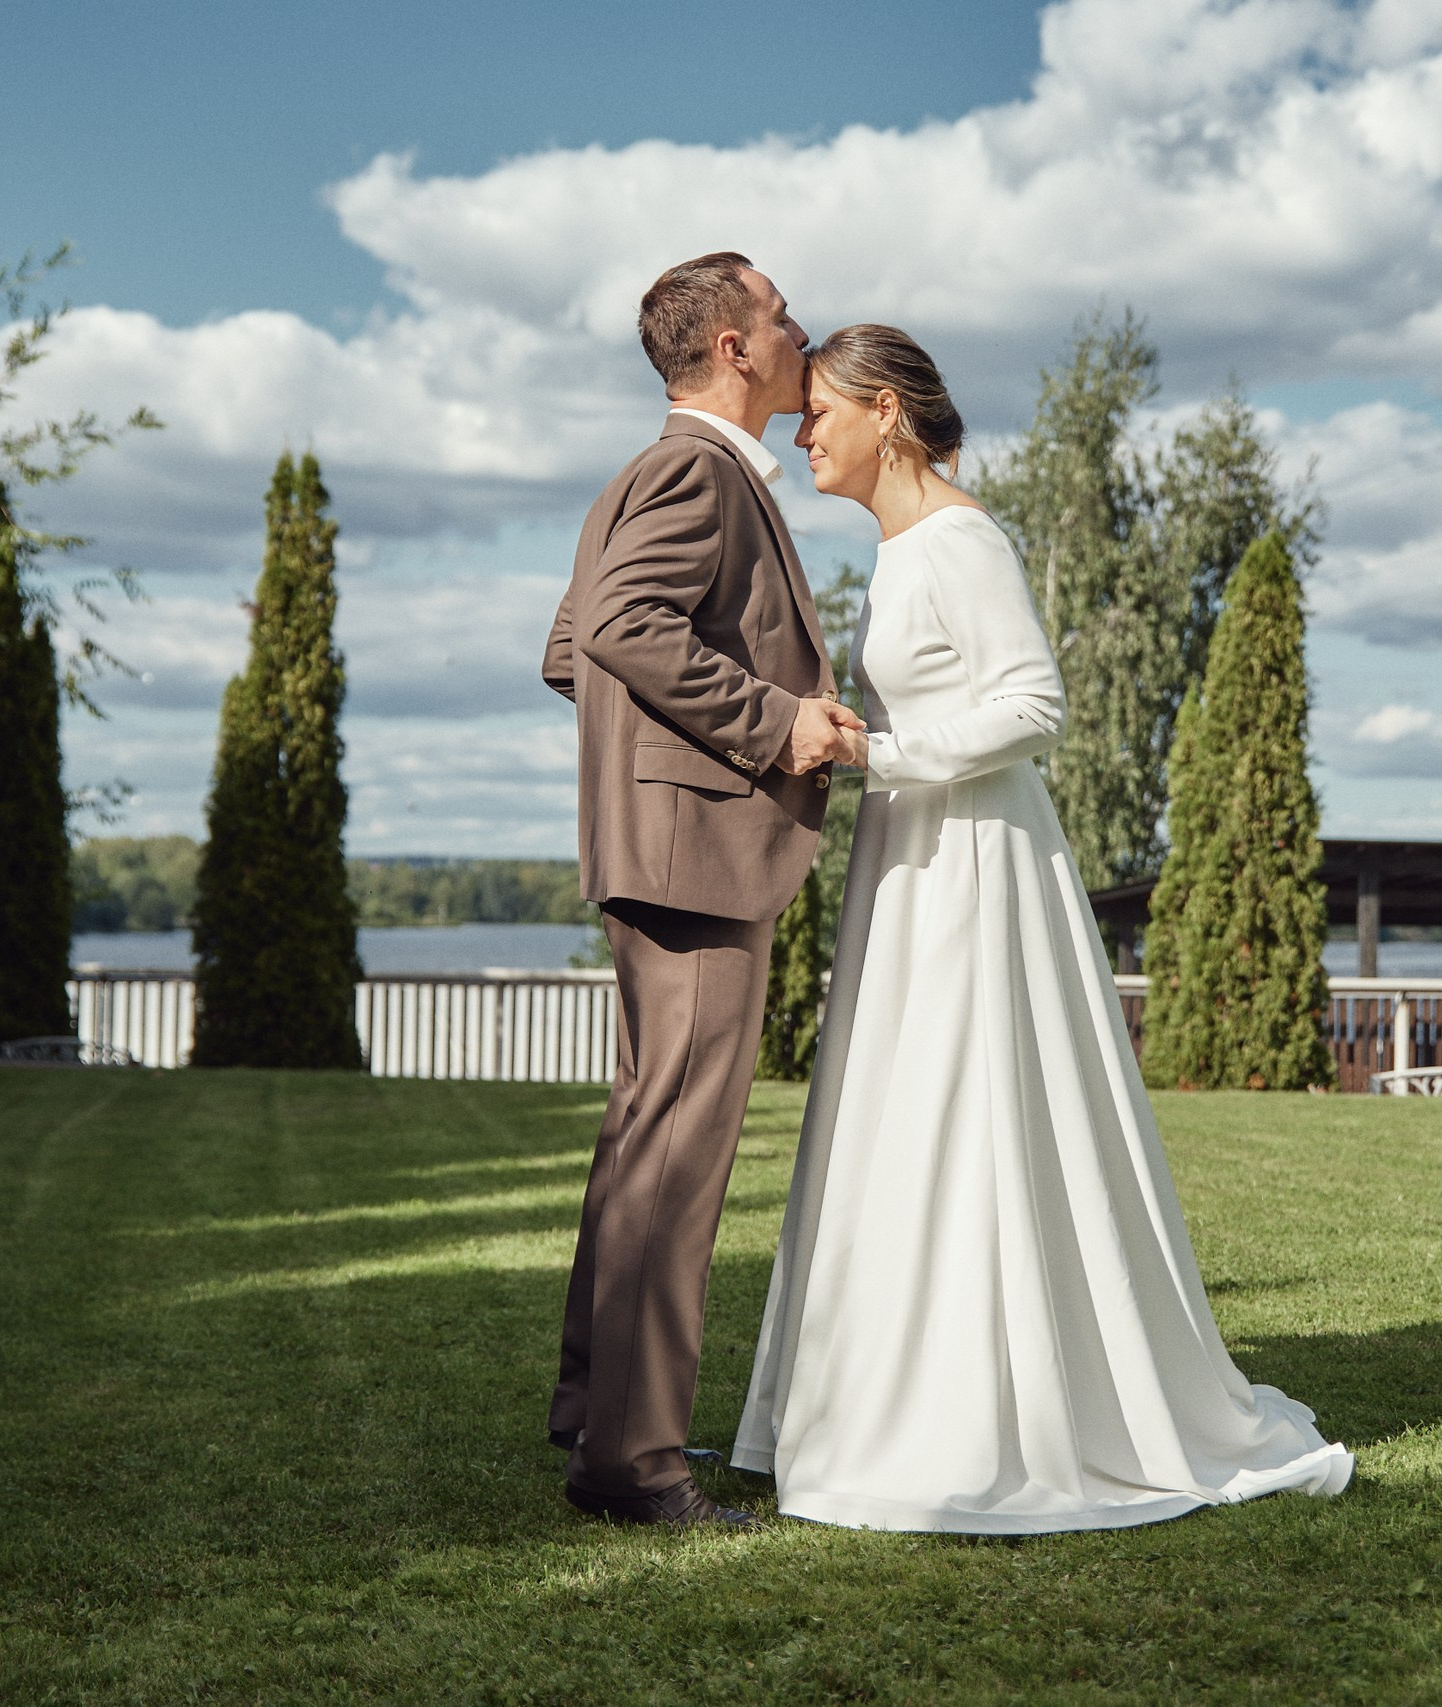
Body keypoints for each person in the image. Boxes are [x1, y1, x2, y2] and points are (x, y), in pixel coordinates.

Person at [732, 325, 1353, 1533]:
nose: (799, 432)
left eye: (816, 411)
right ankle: (876, 1398)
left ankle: (982, 1413)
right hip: (912, 856)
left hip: (972, 866)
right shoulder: (902, 547)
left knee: (972, 1112)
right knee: (903, 1116)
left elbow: (1034, 703)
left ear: (888, 414)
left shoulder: (961, 540)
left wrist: (884, 753)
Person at [540, 253, 866, 1530]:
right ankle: (634, 1461)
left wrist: (649, 769)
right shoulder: (696, 469)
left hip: (667, 847)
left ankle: (595, 1411)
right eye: (781, 314)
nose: (800, 330)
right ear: (734, 346)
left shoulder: (648, 470)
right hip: (695, 862)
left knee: (646, 1135)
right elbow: (617, 627)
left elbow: (574, 649)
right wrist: (771, 727)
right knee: (677, 1151)